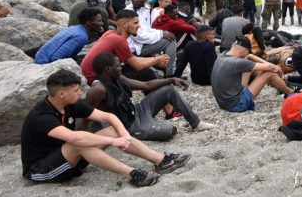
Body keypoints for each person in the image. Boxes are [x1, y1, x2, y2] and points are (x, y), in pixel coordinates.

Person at [21, 69, 190, 187]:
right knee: (80, 140)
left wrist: (123, 136)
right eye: (77, 90)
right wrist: (113, 142)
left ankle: (161, 160)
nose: (80, 93)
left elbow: (109, 117)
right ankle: (132, 173)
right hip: (41, 170)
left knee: (113, 129)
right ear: (62, 94)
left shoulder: (69, 103)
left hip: (68, 158)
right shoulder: (41, 116)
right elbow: (75, 138)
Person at [84, 53, 214, 141]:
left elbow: (146, 85)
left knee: (169, 90)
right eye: (118, 66)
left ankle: (196, 123)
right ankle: (152, 126)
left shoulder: (118, 77)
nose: (121, 69)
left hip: (137, 111)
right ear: (107, 68)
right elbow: (83, 116)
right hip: (129, 127)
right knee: (169, 130)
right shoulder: (98, 90)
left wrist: (171, 79)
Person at [81, 9, 170, 84]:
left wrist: (156, 59)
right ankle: (162, 103)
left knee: (142, 68)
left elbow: (132, 59)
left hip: (95, 74)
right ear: (124, 24)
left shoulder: (110, 33)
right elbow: (137, 65)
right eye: (135, 23)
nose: (139, 26)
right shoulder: (118, 40)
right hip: (94, 79)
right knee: (146, 73)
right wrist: (157, 60)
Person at [211, 36, 295, 112]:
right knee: (269, 73)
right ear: (243, 50)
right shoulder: (237, 62)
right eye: (247, 52)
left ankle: (280, 87)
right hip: (237, 105)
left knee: (253, 67)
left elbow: (249, 57)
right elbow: (270, 67)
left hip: (224, 103)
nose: (247, 54)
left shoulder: (222, 56)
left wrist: (250, 56)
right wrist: (276, 68)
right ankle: (290, 92)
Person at [126, 0, 178, 77]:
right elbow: (139, 36)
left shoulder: (146, 8)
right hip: (134, 47)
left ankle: (164, 67)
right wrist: (161, 34)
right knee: (170, 40)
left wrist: (162, 32)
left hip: (143, 44)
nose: (135, 0)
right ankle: (169, 74)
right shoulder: (128, 12)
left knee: (169, 36)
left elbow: (147, 28)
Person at [35, 9, 105, 64]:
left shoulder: (75, 28)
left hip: (41, 58)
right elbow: (56, 58)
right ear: (88, 23)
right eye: (99, 21)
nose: (102, 23)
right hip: (44, 63)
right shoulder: (80, 36)